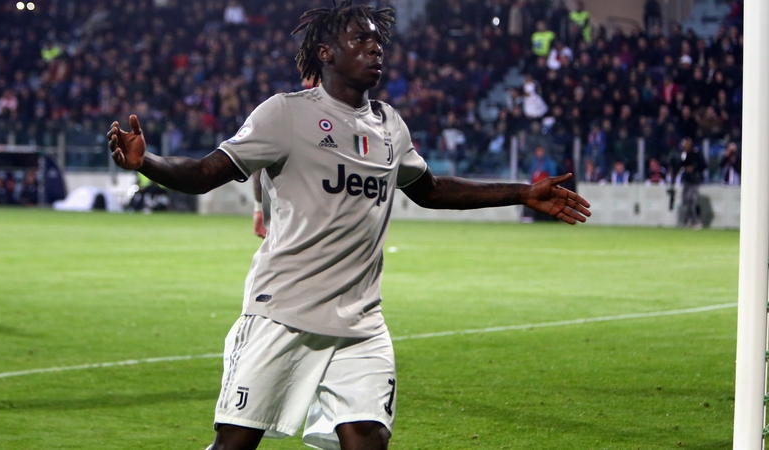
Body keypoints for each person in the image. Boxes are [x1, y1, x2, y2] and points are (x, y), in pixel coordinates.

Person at [107, 2, 591, 449]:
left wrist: (522, 193)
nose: (375, 48)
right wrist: (146, 161)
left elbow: (432, 189)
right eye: (361, 39)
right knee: (235, 445)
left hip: (360, 322)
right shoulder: (285, 114)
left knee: (367, 441)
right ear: (327, 53)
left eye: (378, 41)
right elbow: (206, 172)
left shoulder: (390, 127)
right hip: (283, 312)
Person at [675, 137, 707, 229]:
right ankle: (687, 221)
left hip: (695, 180)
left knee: (691, 200)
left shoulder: (697, 153)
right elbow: (681, 165)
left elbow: (704, 165)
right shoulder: (685, 155)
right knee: (686, 201)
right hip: (687, 180)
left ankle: (694, 221)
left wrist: (694, 168)